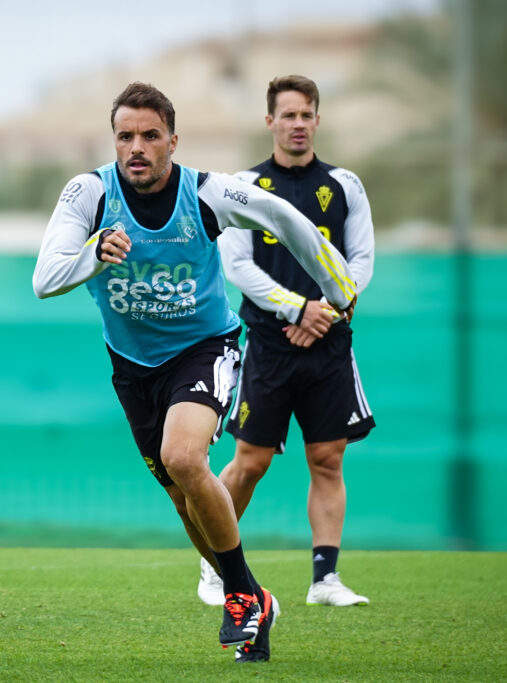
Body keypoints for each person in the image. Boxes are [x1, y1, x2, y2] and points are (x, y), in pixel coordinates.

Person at [33, 81, 358, 663]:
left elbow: (285, 219)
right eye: (125, 136)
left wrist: (338, 286)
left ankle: (239, 599)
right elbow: (44, 278)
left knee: (187, 459)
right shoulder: (88, 193)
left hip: (205, 348)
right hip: (132, 369)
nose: (137, 146)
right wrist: (93, 253)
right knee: (186, 501)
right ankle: (251, 596)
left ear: (173, 142)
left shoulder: (207, 194)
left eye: (150, 136)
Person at [197, 75, 376, 609]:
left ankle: (325, 580)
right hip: (271, 344)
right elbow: (238, 265)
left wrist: (329, 308)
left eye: (306, 114)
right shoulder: (243, 186)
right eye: (288, 114)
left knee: (327, 458)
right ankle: (213, 567)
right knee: (250, 462)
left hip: (329, 344)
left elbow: (361, 261)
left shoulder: (345, 184)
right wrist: (297, 308)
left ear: (317, 120)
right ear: (269, 120)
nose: (297, 124)